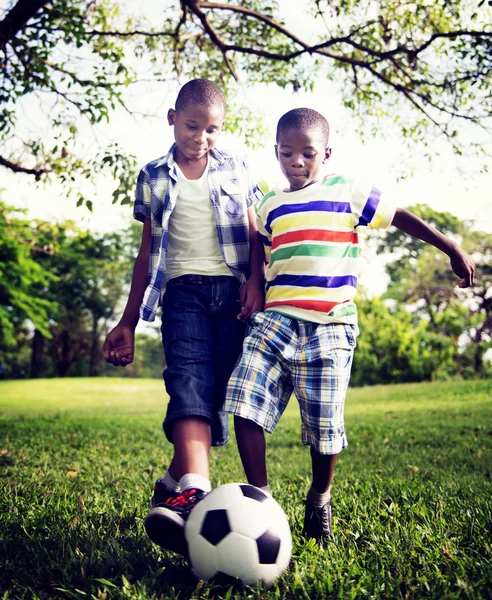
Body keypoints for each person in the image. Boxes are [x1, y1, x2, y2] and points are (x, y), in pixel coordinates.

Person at [224, 107, 475, 548]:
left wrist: (448, 245)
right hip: (275, 322)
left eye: (307, 153)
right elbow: (259, 257)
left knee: (324, 430)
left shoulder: (347, 190)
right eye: (287, 153)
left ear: (326, 153)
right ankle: (260, 499)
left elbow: (397, 215)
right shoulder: (268, 205)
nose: (297, 162)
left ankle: (319, 498)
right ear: (276, 153)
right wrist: (252, 285)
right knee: (243, 403)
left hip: (330, 326)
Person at [103, 79, 265, 555]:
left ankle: (173, 484)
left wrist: (256, 282)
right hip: (181, 295)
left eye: (212, 128)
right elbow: (146, 250)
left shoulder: (236, 167)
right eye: (193, 125)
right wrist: (128, 320)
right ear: (172, 119)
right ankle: (195, 491)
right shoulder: (152, 175)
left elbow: (255, 235)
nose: (201, 137)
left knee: (215, 397)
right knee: (189, 381)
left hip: (233, 294)